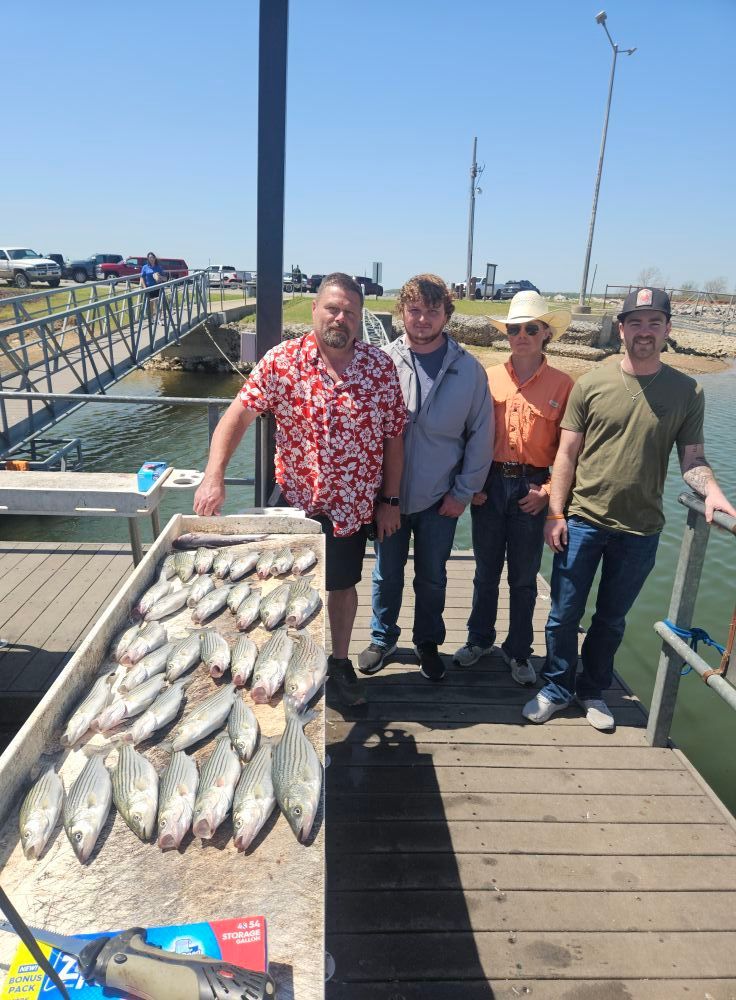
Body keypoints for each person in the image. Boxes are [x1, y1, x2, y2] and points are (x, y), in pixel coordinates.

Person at [523, 287, 736, 730]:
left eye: (654, 322)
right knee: (564, 612)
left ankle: (593, 689)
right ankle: (557, 685)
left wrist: (711, 489)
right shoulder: (592, 383)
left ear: (668, 329)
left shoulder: (688, 390)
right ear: (620, 329)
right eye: (635, 322)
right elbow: (566, 455)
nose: (644, 331)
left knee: (611, 618)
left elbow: (693, 459)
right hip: (582, 520)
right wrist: (556, 513)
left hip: (641, 528)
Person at [193, 273, 407, 706]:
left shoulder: (380, 367)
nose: (340, 318)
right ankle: (287, 661)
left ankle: (341, 663)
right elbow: (235, 419)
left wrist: (389, 500)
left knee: (343, 586)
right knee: (286, 587)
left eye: (349, 311)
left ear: (360, 317)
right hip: (295, 502)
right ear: (314, 310)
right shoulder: (281, 361)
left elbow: (394, 438)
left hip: (352, 507)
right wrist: (214, 475)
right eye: (332, 308)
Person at [357, 274, 492, 682]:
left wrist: (463, 492)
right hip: (389, 497)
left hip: (440, 499)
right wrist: (377, 494)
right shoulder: (380, 361)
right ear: (402, 313)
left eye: (432, 311)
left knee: (432, 575)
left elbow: (482, 435)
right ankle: (382, 638)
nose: (422, 319)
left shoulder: (469, 371)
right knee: (386, 573)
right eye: (414, 310)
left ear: (446, 315)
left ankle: (428, 641)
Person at [453, 291, 573, 685]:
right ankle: (479, 639)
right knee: (485, 572)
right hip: (488, 484)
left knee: (523, 578)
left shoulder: (564, 385)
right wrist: (471, 484)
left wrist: (548, 492)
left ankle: (519, 652)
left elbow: (570, 450)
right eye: (515, 329)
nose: (521, 335)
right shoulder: (485, 377)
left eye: (530, 328)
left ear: (545, 334)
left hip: (532, 488)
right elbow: (467, 435)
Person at [140, 251, 165, 322]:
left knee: (158, 304)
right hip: (149, 288)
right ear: (148, 259)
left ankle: (159, 319)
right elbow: (142, 278)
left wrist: (159, 277)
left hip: (157, 287)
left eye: (152, 257)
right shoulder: (145, 267)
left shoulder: (159, 267)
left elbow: (165, 278)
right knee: (150, 304)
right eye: (150, 258)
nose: (151, 259)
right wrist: (144, 287)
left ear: (155, 258)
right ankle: (151, 318)